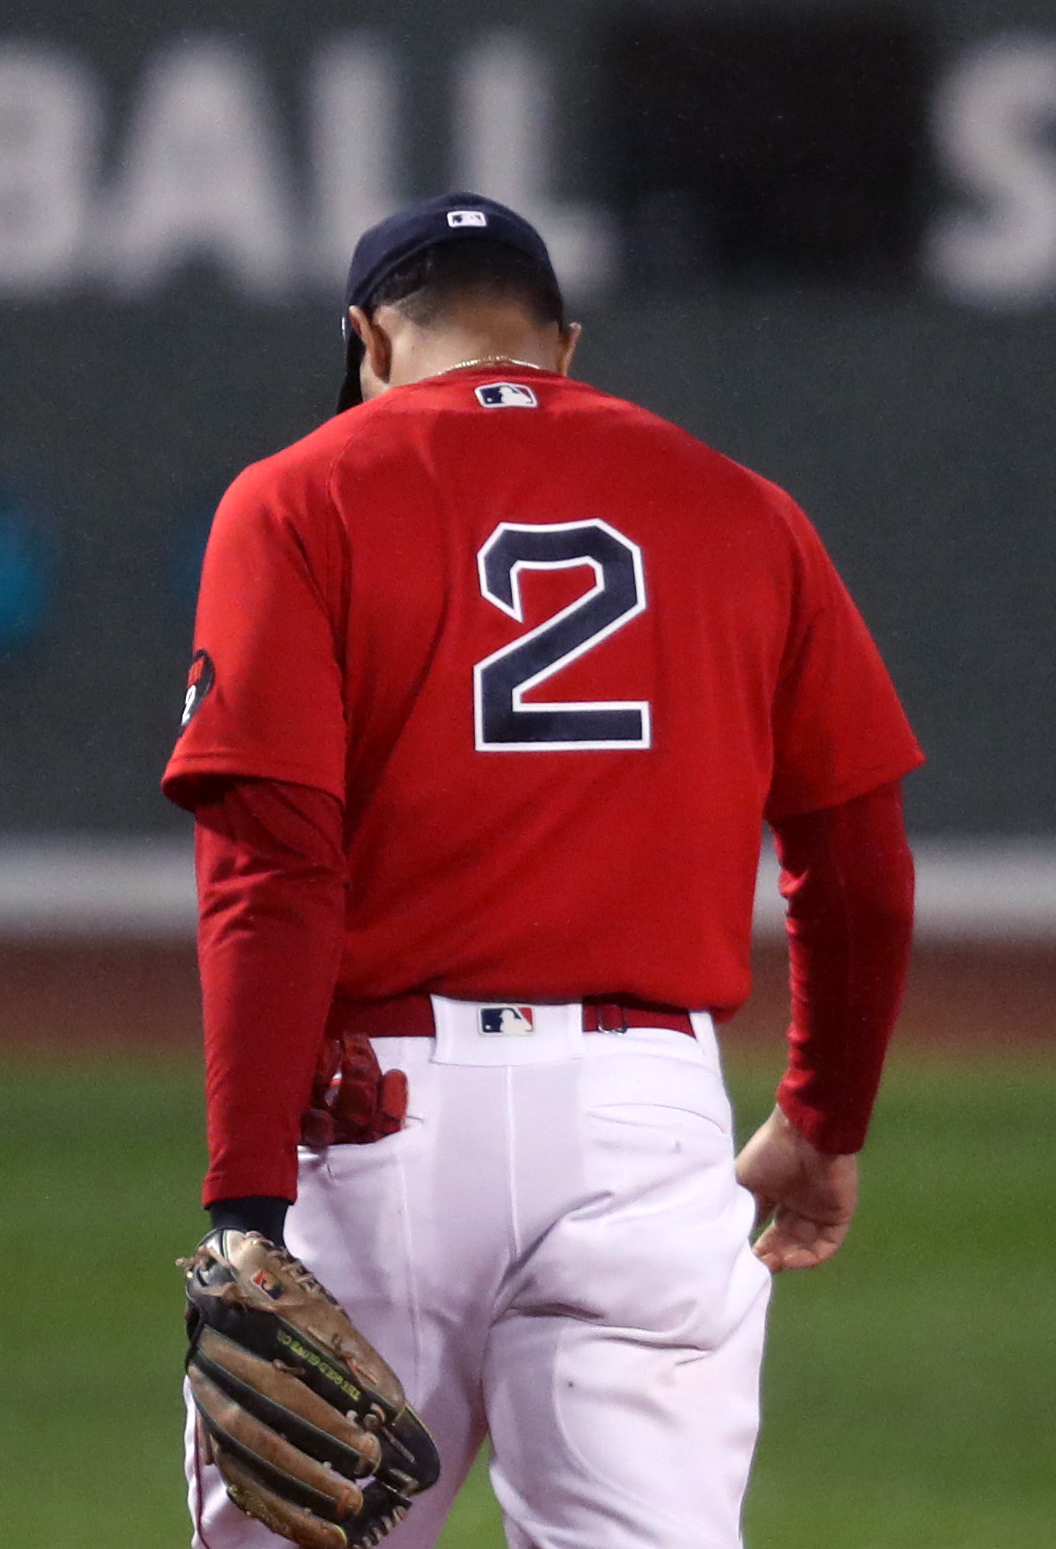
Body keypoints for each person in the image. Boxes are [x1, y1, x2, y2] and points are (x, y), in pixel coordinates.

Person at [168, 190, 920, 1549]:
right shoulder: (741, 509)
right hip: (646, 1127)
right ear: (561, 345)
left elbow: (268, 877)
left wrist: (245, 1205)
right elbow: (857, 862)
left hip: (377, 1123)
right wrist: (821, 1118)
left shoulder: (296, 496)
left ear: (366, 341)